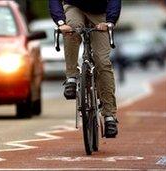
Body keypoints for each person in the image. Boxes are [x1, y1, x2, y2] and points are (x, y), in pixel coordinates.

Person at [49, 0, 121, 138]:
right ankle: (71, 76)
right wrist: (60, 22)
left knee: (102, 62)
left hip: (101, 12)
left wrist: (110, 22)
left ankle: (109, 116)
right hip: (75, 7)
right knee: (72, 28)